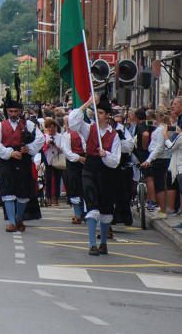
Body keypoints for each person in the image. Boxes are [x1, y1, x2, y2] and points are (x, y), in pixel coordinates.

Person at [68, 98, 126, 256]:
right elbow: (72, 123)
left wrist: (105, 153)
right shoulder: (88, 129)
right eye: (96, 112)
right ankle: (92, 244)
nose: (97, 115)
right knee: (92, 205)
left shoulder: (114, 136)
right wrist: (87, 103)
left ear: (107, 115)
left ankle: (103, 243)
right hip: (90, 170)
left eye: (100, 113)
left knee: (106, 209)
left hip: (107, 173)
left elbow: (115, 161)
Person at [0, 92, 44, 233]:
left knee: (23, 193)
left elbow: (40, 139)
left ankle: (19, 218)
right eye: (10, 111)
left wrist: (29, 148)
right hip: (7, 161)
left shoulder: (29, 124)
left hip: (24, 160)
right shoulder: (0, 126)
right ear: (7, 112)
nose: (13, 114)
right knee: (7, 191)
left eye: (15, 111)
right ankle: (12, 222)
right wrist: (9, 153)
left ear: (20, 111)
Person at [141, 110, 172, 219]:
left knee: (159, 184)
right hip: (160, 158)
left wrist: (149, 160)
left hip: (159, 159)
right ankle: (161, 208)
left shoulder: (160, 130)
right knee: (159, 183)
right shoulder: (161, 129)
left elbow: (159, 147)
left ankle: (163, 210)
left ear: (157, 118)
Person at [59, 109, 87, 224]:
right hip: (73, 164)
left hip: (84, 163)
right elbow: (67, 151)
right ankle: (77, 214)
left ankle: (85, 213)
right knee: (74, 188)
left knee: (85, 189)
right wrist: (79, 158)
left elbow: (87, 146)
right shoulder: (66, 136)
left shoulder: (84, 133)